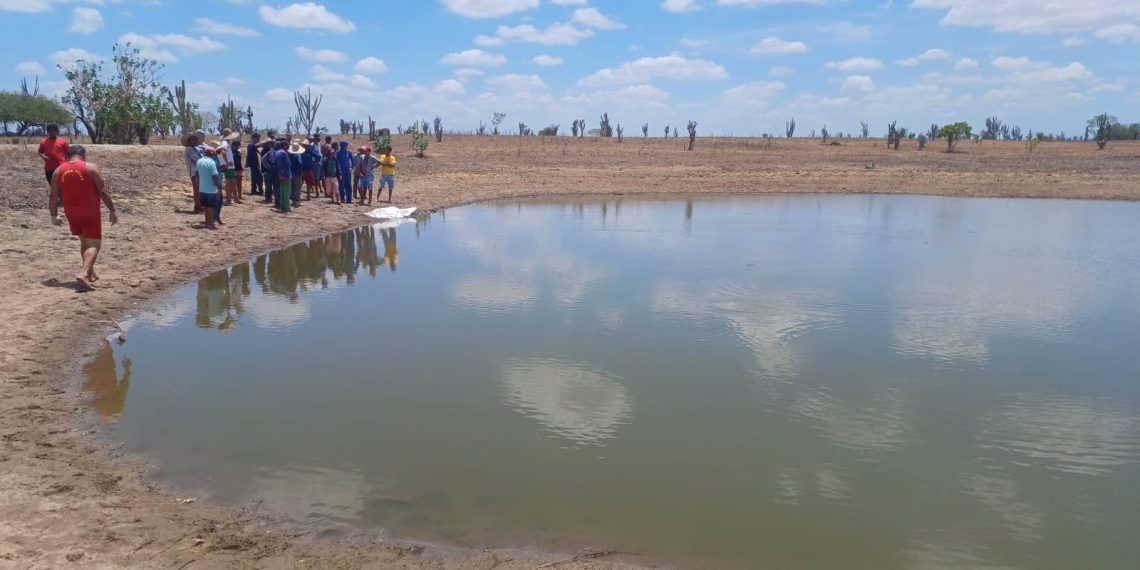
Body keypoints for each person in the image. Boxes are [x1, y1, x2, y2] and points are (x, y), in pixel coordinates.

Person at [48, 145, 118, 290]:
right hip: (90, 212)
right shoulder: (91, 168)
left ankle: (90, 272)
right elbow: (103, 192)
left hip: (71, 212)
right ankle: (84, 273)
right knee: (94, 245)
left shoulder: (58, 171)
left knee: (85, 243)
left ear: (68, 156)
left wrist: (53, 216)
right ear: (83, 155)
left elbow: (53, 196)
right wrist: (112, 210)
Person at [195, 143, 224, 229]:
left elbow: (196, 174)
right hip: (211, 189)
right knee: (211, 207)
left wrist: (198, 183)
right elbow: (214, 176)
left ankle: (207, 221)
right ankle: (210, 223)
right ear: (212, 154)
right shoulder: (211, 163)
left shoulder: (199, 161)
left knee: (206, 207)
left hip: (202, 188)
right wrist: (218, 187)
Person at [182, 129, 206, 213]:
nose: (195, 141)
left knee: (200, 189)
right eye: (193, 139)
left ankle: (200, 205)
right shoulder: (189, 149)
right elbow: (198, 159)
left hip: (199, 171)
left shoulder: (196, 149)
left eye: (195, 139)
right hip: (194, 173)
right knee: (197, 189)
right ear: (189, 141)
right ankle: (198, 206)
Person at [272, 140, 294, 212]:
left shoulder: (277, 153)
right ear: (284, 146)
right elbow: (289, 164)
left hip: (280, 174)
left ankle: (282, 205)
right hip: (287, 174)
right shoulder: (284, 153)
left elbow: (274, 164)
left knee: (282, 191)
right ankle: (287, 206)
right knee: (287, 191)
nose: (288, 147)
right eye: (287, 145)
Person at [335, 140, 353, 204]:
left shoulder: (349, 152)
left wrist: (351, 167)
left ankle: (349, 199)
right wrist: (338, 170)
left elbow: (353, 161)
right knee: (341, 185)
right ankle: (342, 198)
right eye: (344, 145)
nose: (345, 147)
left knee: (348, 185)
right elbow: (337, 162)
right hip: (341, 171)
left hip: (348, 171)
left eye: (346, 145)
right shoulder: (337, 152)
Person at [260, 139, 277, 205]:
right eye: (270, 143)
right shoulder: (265, 151)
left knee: (271, 185)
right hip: (267, 171)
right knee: (268, 185)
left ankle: (270, 198)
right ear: (267, 144)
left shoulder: (270, 150)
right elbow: (263, 160)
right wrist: (269, 167)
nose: (272, 144)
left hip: (270, 171)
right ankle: (268, 198)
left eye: (272, 143)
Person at [288, 141, 304, 208]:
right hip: (297, 173)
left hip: (290, 172)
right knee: (297, 187)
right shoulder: (298, 155)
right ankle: (296, 201)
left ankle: (292, 200)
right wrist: (301, 172)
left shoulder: (289, 155)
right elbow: (300, 164)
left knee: (292, 186)